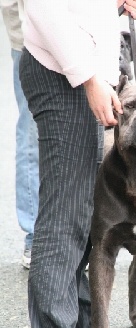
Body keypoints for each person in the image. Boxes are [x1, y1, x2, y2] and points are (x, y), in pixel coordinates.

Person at [19, 0, 136, 328]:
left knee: (83, 213)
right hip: (63, 74)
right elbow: (44, 7)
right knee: (65, 214)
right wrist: (88, 78)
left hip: (80, 73)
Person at [0, 0, 39, 269]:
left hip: (87, 33)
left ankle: (81, 232)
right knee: (32, 136)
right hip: (30, 36)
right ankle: (35, 235)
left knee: (87, 131)